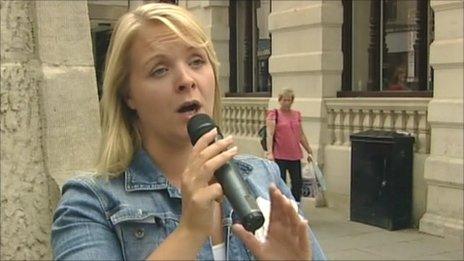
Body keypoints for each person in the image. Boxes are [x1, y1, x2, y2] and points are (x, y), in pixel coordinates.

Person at [51, 3, 326, 260]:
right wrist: (189, 232)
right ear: (128, 95)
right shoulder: (90, 201)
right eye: (159, 70)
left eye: (196, 61)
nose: (186, 80)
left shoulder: (264, 178)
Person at [266, 89, 314, 203]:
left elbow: (301, 134)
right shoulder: (274, 114)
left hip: (295, 154)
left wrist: (308, 149)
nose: (287, 102)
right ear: (280, 100)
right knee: (281, 183)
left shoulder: (296, 114)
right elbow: (270, 134)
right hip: (280, 155)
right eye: (284, 100)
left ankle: (295, 205)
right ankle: (281, 205)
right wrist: (269, 152)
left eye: (289, 100)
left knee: (297, 183)